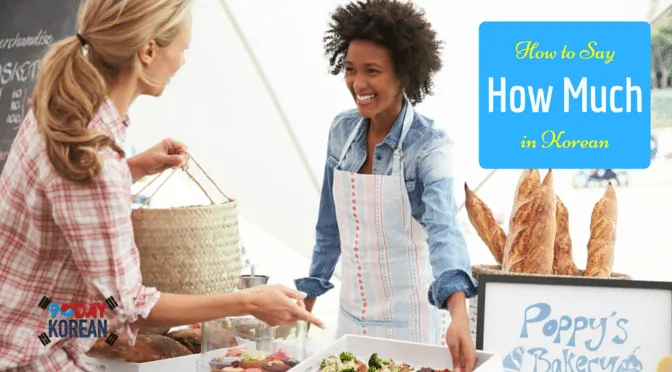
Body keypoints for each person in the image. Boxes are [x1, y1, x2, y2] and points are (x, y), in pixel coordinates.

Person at [0, 1, 321, 370]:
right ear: (148, 50)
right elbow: (130, 308)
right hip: (29, 354)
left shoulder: (61, 109)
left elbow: (59, 196)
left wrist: (133, 168)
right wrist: (249, 301)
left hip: (31, 325)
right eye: (182, 49)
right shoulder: (93, 158)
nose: (182, 61)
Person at [295, 1, 477, 371]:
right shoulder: (341, 131)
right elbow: (329, 229)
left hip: (410, 330)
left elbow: (445, 231)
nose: (358, 84)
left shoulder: (428, 145)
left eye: (372, 71)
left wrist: (459, 313)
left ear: (404, 74)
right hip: (350, 323)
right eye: (350, 70)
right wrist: (308, 295)